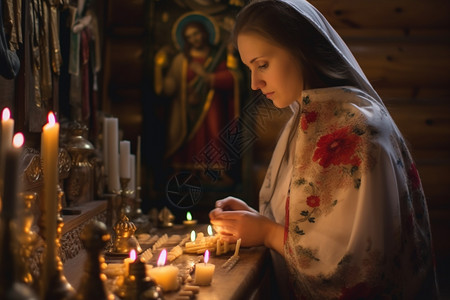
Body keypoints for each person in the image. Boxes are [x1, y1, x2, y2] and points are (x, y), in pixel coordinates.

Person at [209, 0, 439, 299]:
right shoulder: (310, 118)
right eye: (249, 69)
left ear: (301, 49)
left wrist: (266, 232)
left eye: (262, 64)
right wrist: (255, 222)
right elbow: (316, 226)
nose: (255, 83)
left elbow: (351, 267)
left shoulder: (355, 128)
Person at [155, 13, 240, 177]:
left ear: (205, 32)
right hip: (185, 110)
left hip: (213, 106)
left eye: (197, 33)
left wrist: (208, 78)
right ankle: (186, 172)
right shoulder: (181, 60)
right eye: (190, 36)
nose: (195, 39)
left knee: (214, 134)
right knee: (186, 142)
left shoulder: (217, 56)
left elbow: (233, 79)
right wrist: (159, 68)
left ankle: (215, 172)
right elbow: (169, 88)